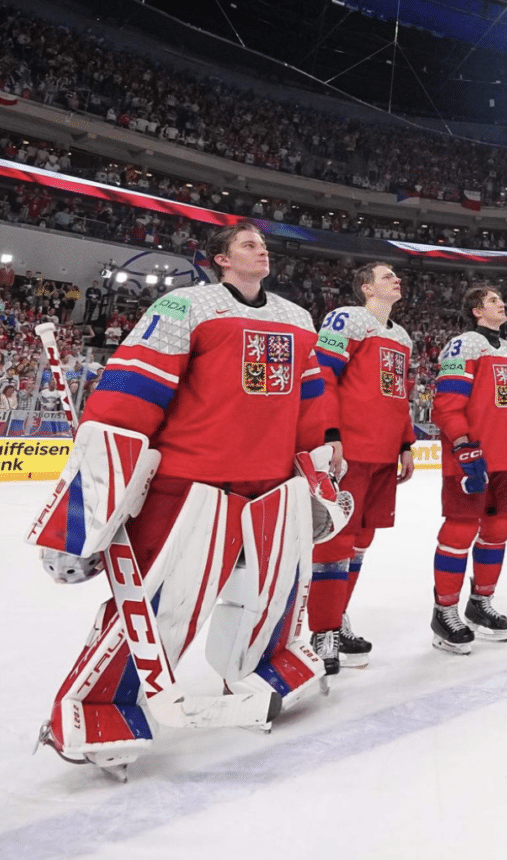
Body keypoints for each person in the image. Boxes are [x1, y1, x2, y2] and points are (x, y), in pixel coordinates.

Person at [27, 222, 340, 773]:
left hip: (270, 484)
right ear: (221, 259)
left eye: (263, 245)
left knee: (275, 599)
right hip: (192, 481)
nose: (260, 250)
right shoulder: (184, 306)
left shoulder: (297, 317)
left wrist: (323, 448)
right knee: (160, 605)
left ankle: (270, 673)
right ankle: (98, 706)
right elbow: (135, 387)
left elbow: (310, 399)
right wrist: (96, 484)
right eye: (247, 244)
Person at [309, 262, 415, 672]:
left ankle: (336, 618)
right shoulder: (347, 318)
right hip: (349, 449)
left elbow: (399, 395)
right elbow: (324, 376)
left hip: (385, 453)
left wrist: (407, 442)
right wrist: (329, 431)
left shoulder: (401, 335)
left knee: (361, 542)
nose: (396, 280)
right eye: (388, 275)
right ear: (367, 288)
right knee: (336, 541)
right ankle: (322, 630)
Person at [430, 285, 507, 653]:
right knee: (460, 531)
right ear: (477, 311)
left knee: (498, 529)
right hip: (473, 457)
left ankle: (480, 603)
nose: (502, 302)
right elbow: (447, 404)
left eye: (501, 298)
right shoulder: (463, 345)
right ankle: (444, 611)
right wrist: (462, 445)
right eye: (493, 300)